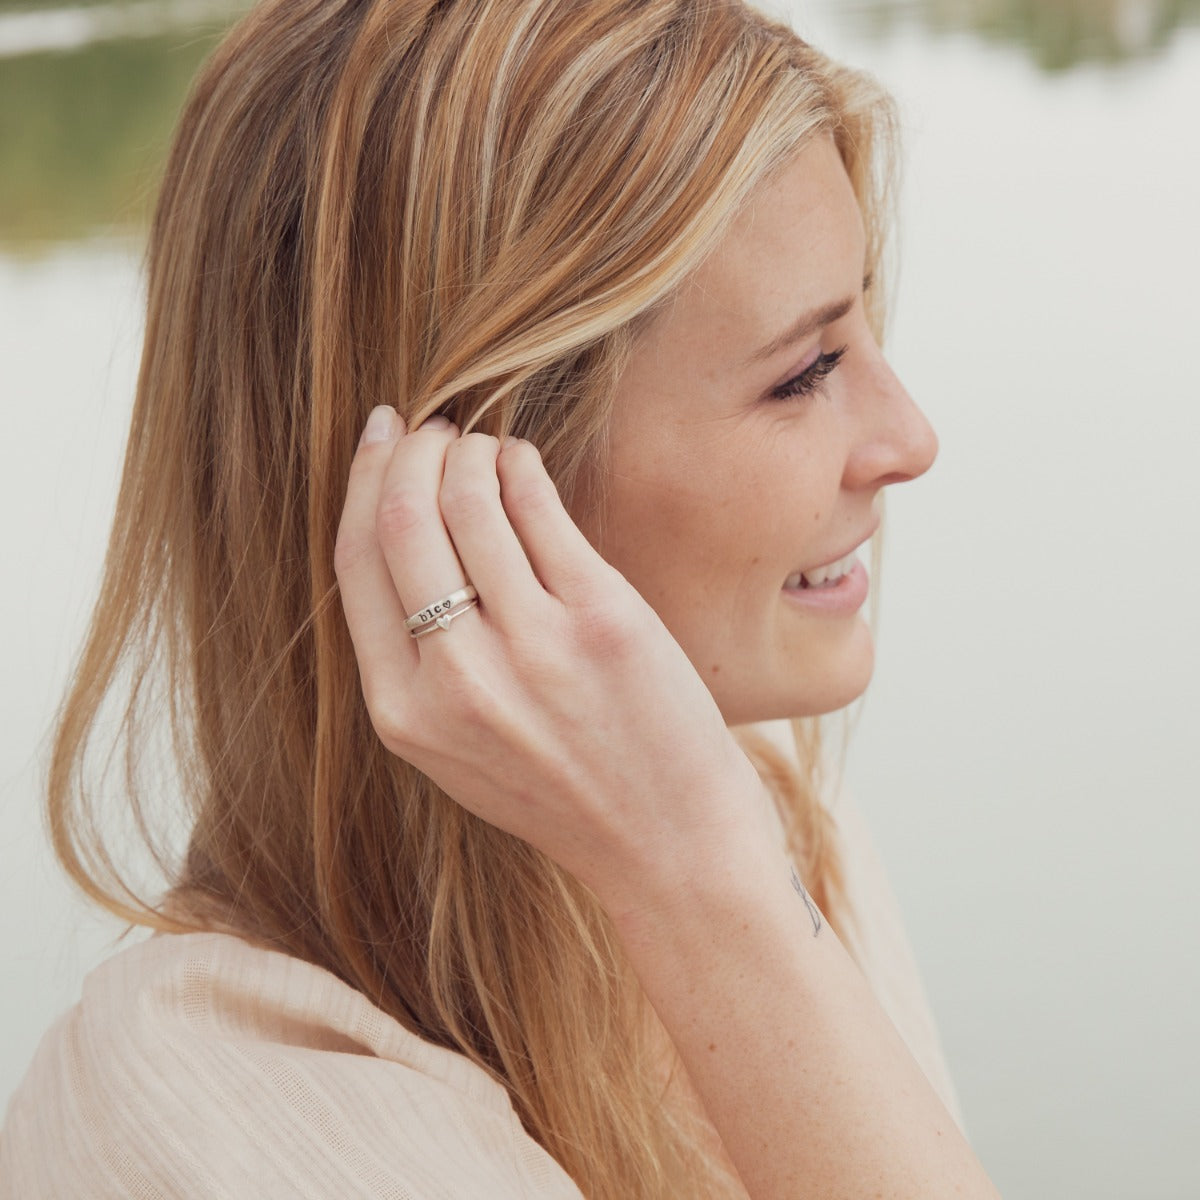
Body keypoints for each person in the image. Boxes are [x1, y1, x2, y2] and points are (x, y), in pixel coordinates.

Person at [0, 1, 1001, 1196]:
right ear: (457, 491)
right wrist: (699, 878)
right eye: (806, 371)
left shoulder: (771, 811)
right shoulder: (201, 1113)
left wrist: (709, 862)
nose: (911, 439)